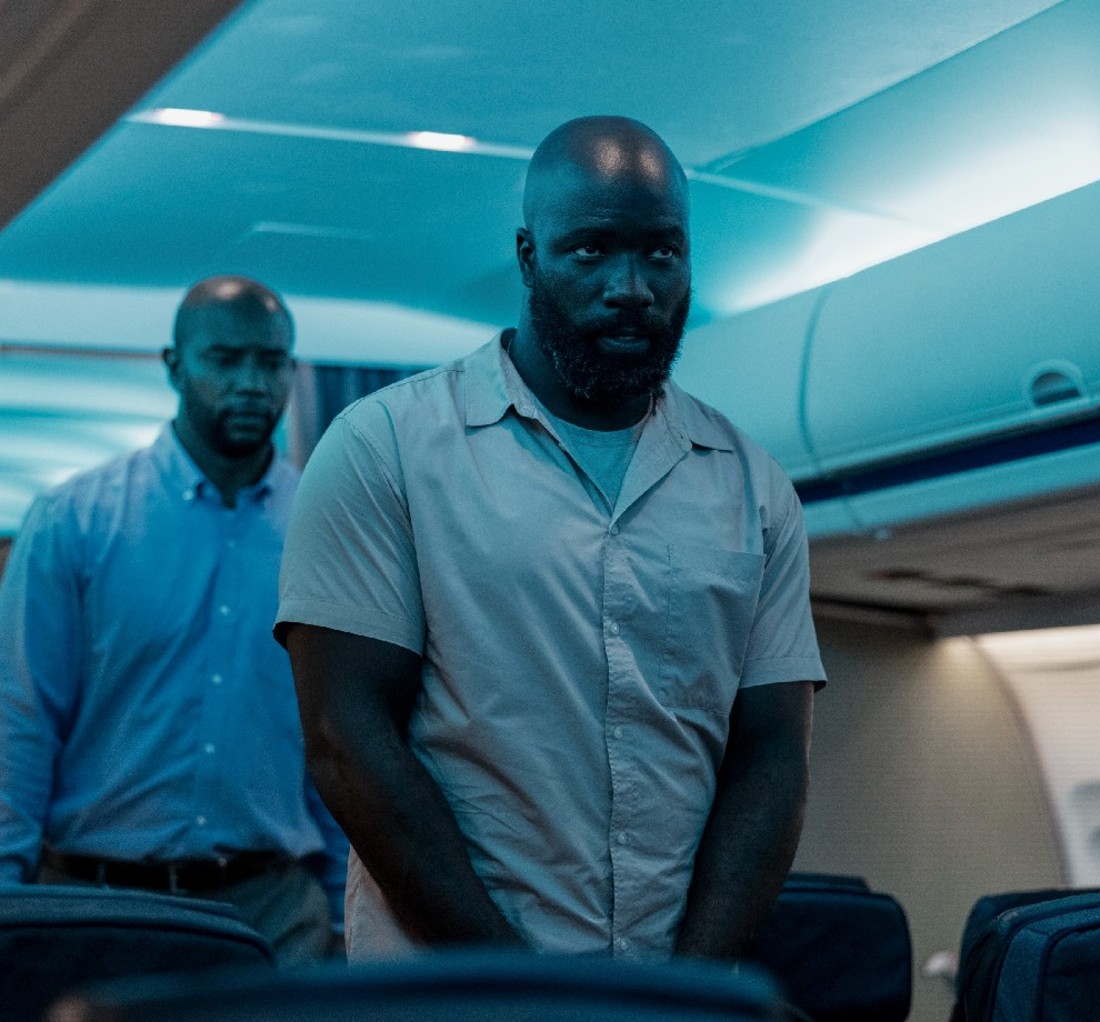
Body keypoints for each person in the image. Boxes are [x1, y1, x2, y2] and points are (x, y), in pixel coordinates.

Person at [277, 117, 826, 962]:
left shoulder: (752, 487)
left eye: (661, 253)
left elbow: (770, 760)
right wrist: (522, 992)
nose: (632, 287)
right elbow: (348, 741)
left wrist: (686, 991)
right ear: (529, 257)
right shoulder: (385, 446)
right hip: (452, 990)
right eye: (593, 251)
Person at [0, 276, 348, 963]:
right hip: (96, 905)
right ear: (174, 365)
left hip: (276, 916)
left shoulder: (330, 527)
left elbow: (341, 733)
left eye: (271, 363)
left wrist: (345, 912)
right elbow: (21, 723)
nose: (252, 383)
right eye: (225, 359)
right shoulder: (75, 521)